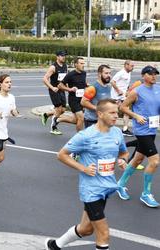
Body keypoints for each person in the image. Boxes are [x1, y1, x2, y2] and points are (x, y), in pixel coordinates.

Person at [45, 98, 128, 250]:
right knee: (103, 233)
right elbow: (62, 155)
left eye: (117, 112)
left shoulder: (117, 133)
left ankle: (54, 245)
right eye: (112, 113)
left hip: (108, 187)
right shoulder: (86, 136)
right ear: (100, 114)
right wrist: (83, 168)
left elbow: (123, 153)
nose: (117, 116)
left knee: (86, 229)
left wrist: (123, 161)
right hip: (91, 190)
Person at [116, 66, 160, 208]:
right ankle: (146, 194)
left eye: (155, 74)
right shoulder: (136, 92)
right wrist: (136, 116)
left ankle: (120, 184)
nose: (154, 76)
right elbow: (122, 107)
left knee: (137, 159)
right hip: (142, 131)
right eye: (151, 74)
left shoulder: (158, 88)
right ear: (143, 76)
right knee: (154, 161)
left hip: (152, 129)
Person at [41, 50, 68, 135]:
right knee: (58, 109)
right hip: (54, 90)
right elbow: (44, 79)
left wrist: (67, 88)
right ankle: (54, 127)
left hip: (61, 90)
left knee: (63, 110)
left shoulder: (65, 66)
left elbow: (65, 79)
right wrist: (52, 87)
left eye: (64, 55)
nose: (63, 57)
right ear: (57, 57)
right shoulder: (53, 67)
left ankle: (46, 114)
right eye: (62, 55)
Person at [58, 57, 87, 131]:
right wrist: (70, 89)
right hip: (73, 100)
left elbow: (84, 83)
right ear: (76, 64)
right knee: (81, 118)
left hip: (82, 99)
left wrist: (88, 86)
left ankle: (58, 120)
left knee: (75, 120)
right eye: (81, 63)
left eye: (83, 63)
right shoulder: (70, 75)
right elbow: (60, 85)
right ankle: (79, 138)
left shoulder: (84, 73)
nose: (83, 65)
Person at [110, 60, 134, 136]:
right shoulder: (120, 73)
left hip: (123, 96)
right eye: (131, 66)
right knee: (113, 111)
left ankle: (125, 129)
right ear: (126, 65)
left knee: (127, 111)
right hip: (116, 96)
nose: (132, 67)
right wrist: (118, 90)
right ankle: (107, 127)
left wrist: (127, 90)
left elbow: (126, 84)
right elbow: (112, 82)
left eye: (133, 66)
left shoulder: (129, 73)